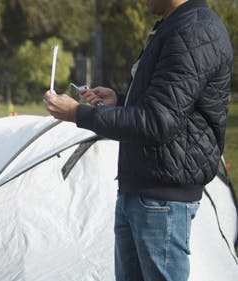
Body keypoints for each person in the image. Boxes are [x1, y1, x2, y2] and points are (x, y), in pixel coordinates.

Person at [43, 0, 233, 280]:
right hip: (142, 188)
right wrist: (120, 100)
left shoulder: (195, 31)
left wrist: (77, 114)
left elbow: (158, 122)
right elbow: (168, 104)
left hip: (162, 198)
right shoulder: (175, 25)